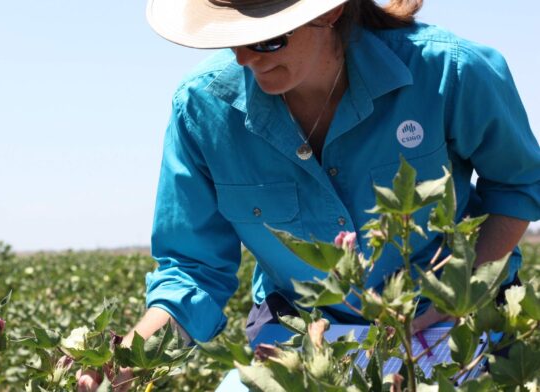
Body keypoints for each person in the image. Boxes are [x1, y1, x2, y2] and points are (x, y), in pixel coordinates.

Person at [77, 0, 540, 390]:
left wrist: (452, 302)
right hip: (303, 335)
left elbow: (515, 187)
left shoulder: (449, 71)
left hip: (455, 323)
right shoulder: (202, 108)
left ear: (332, 12)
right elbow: (192, 271)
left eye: (268, 40)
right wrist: (127, 361)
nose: (245, 59)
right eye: (231, 39)